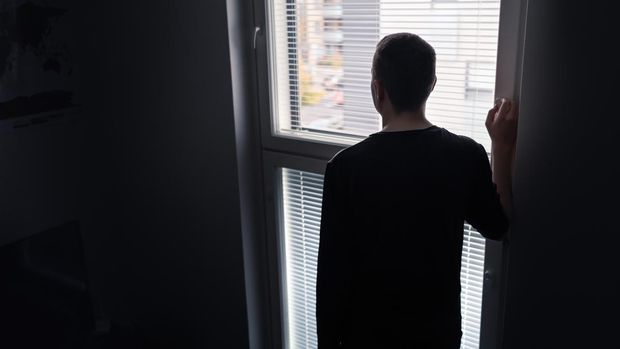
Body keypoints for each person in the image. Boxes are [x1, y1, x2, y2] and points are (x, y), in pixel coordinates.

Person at [315, 33, 518, 348]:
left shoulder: (345, 168)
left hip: (367, 337)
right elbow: (498, 225)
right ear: (432, 85)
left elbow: (333, 277)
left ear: (377, 90)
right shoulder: (465, 155)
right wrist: (502, 147)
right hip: (436, 335)